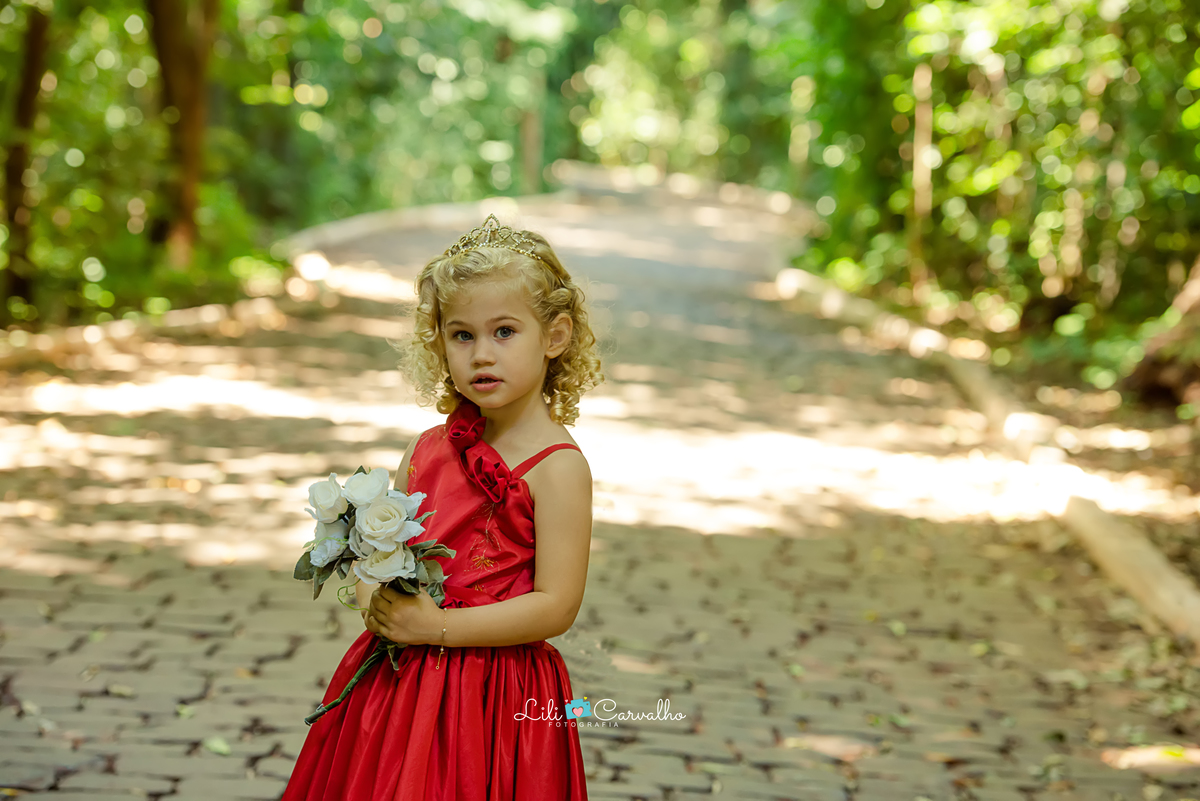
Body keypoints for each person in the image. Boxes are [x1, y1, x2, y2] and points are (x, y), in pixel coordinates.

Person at [281, 214, 605, 800]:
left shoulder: (559, 468)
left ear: (554, 337)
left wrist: (439, 627)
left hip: (495, 693)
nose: (482, 355)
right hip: (401, 680)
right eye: (462, 335)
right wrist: (379, 601)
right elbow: (383, 556)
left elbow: (556, 605)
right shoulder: (427, 449)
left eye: (504, 332)